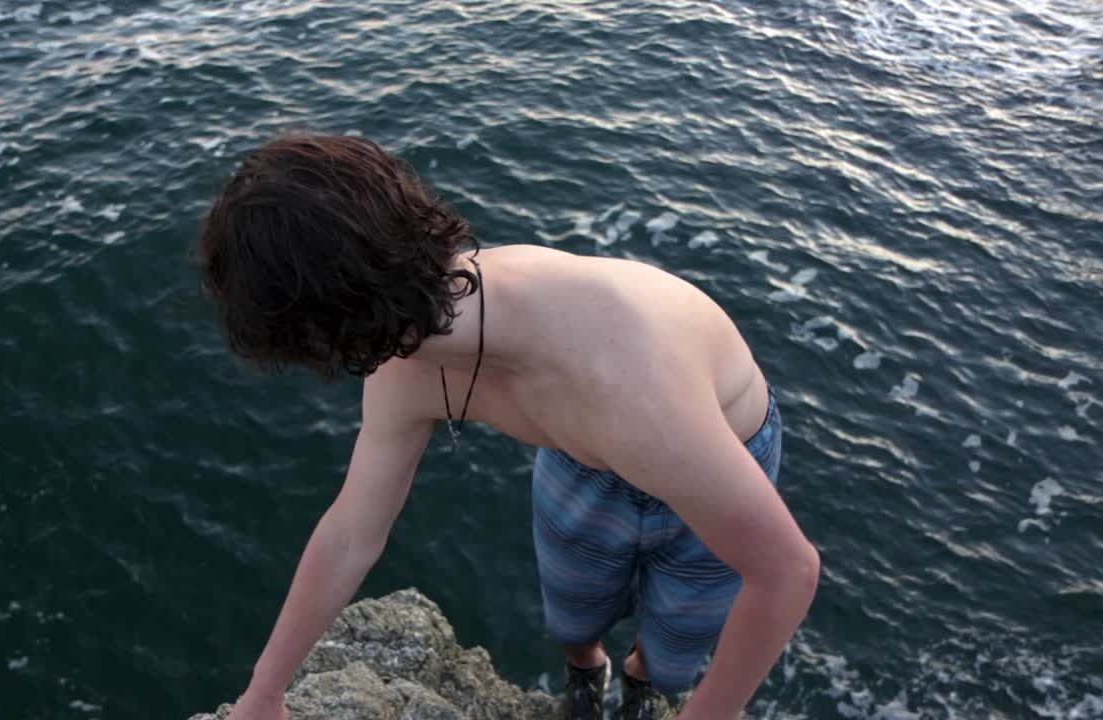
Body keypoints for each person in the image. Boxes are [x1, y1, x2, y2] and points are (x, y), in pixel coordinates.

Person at [198, 134, 820, 720]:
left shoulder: (624, 382)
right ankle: (589, 670)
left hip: (713, 443)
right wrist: (265, 690)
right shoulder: (402, 358)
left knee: (674, 646)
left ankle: (641, 680)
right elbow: (349, 535)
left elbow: (787, 572)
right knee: (574, 616)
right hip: (584, 451)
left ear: (327, 328)